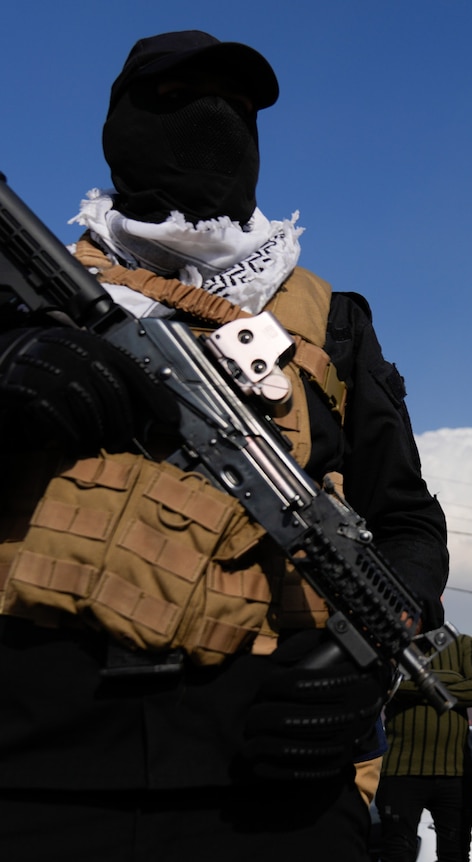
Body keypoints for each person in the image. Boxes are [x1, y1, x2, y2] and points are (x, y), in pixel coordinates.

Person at [0, 30, 449, 861]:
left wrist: (368, 662)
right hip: (30, 759)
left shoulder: (332, 320)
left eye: (236, 109)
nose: (212, 122)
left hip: (269, 781)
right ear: (120, 123)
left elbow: (408, 524)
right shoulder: (33, 291)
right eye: (175, 101)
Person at [377, 632, 472, 862]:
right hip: (401, 770)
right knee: (397, 852)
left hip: (455, 772)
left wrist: (416, 680)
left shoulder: (463, 643)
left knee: (455, 854)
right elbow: (385, 683)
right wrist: (453, 678)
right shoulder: (393, 643)